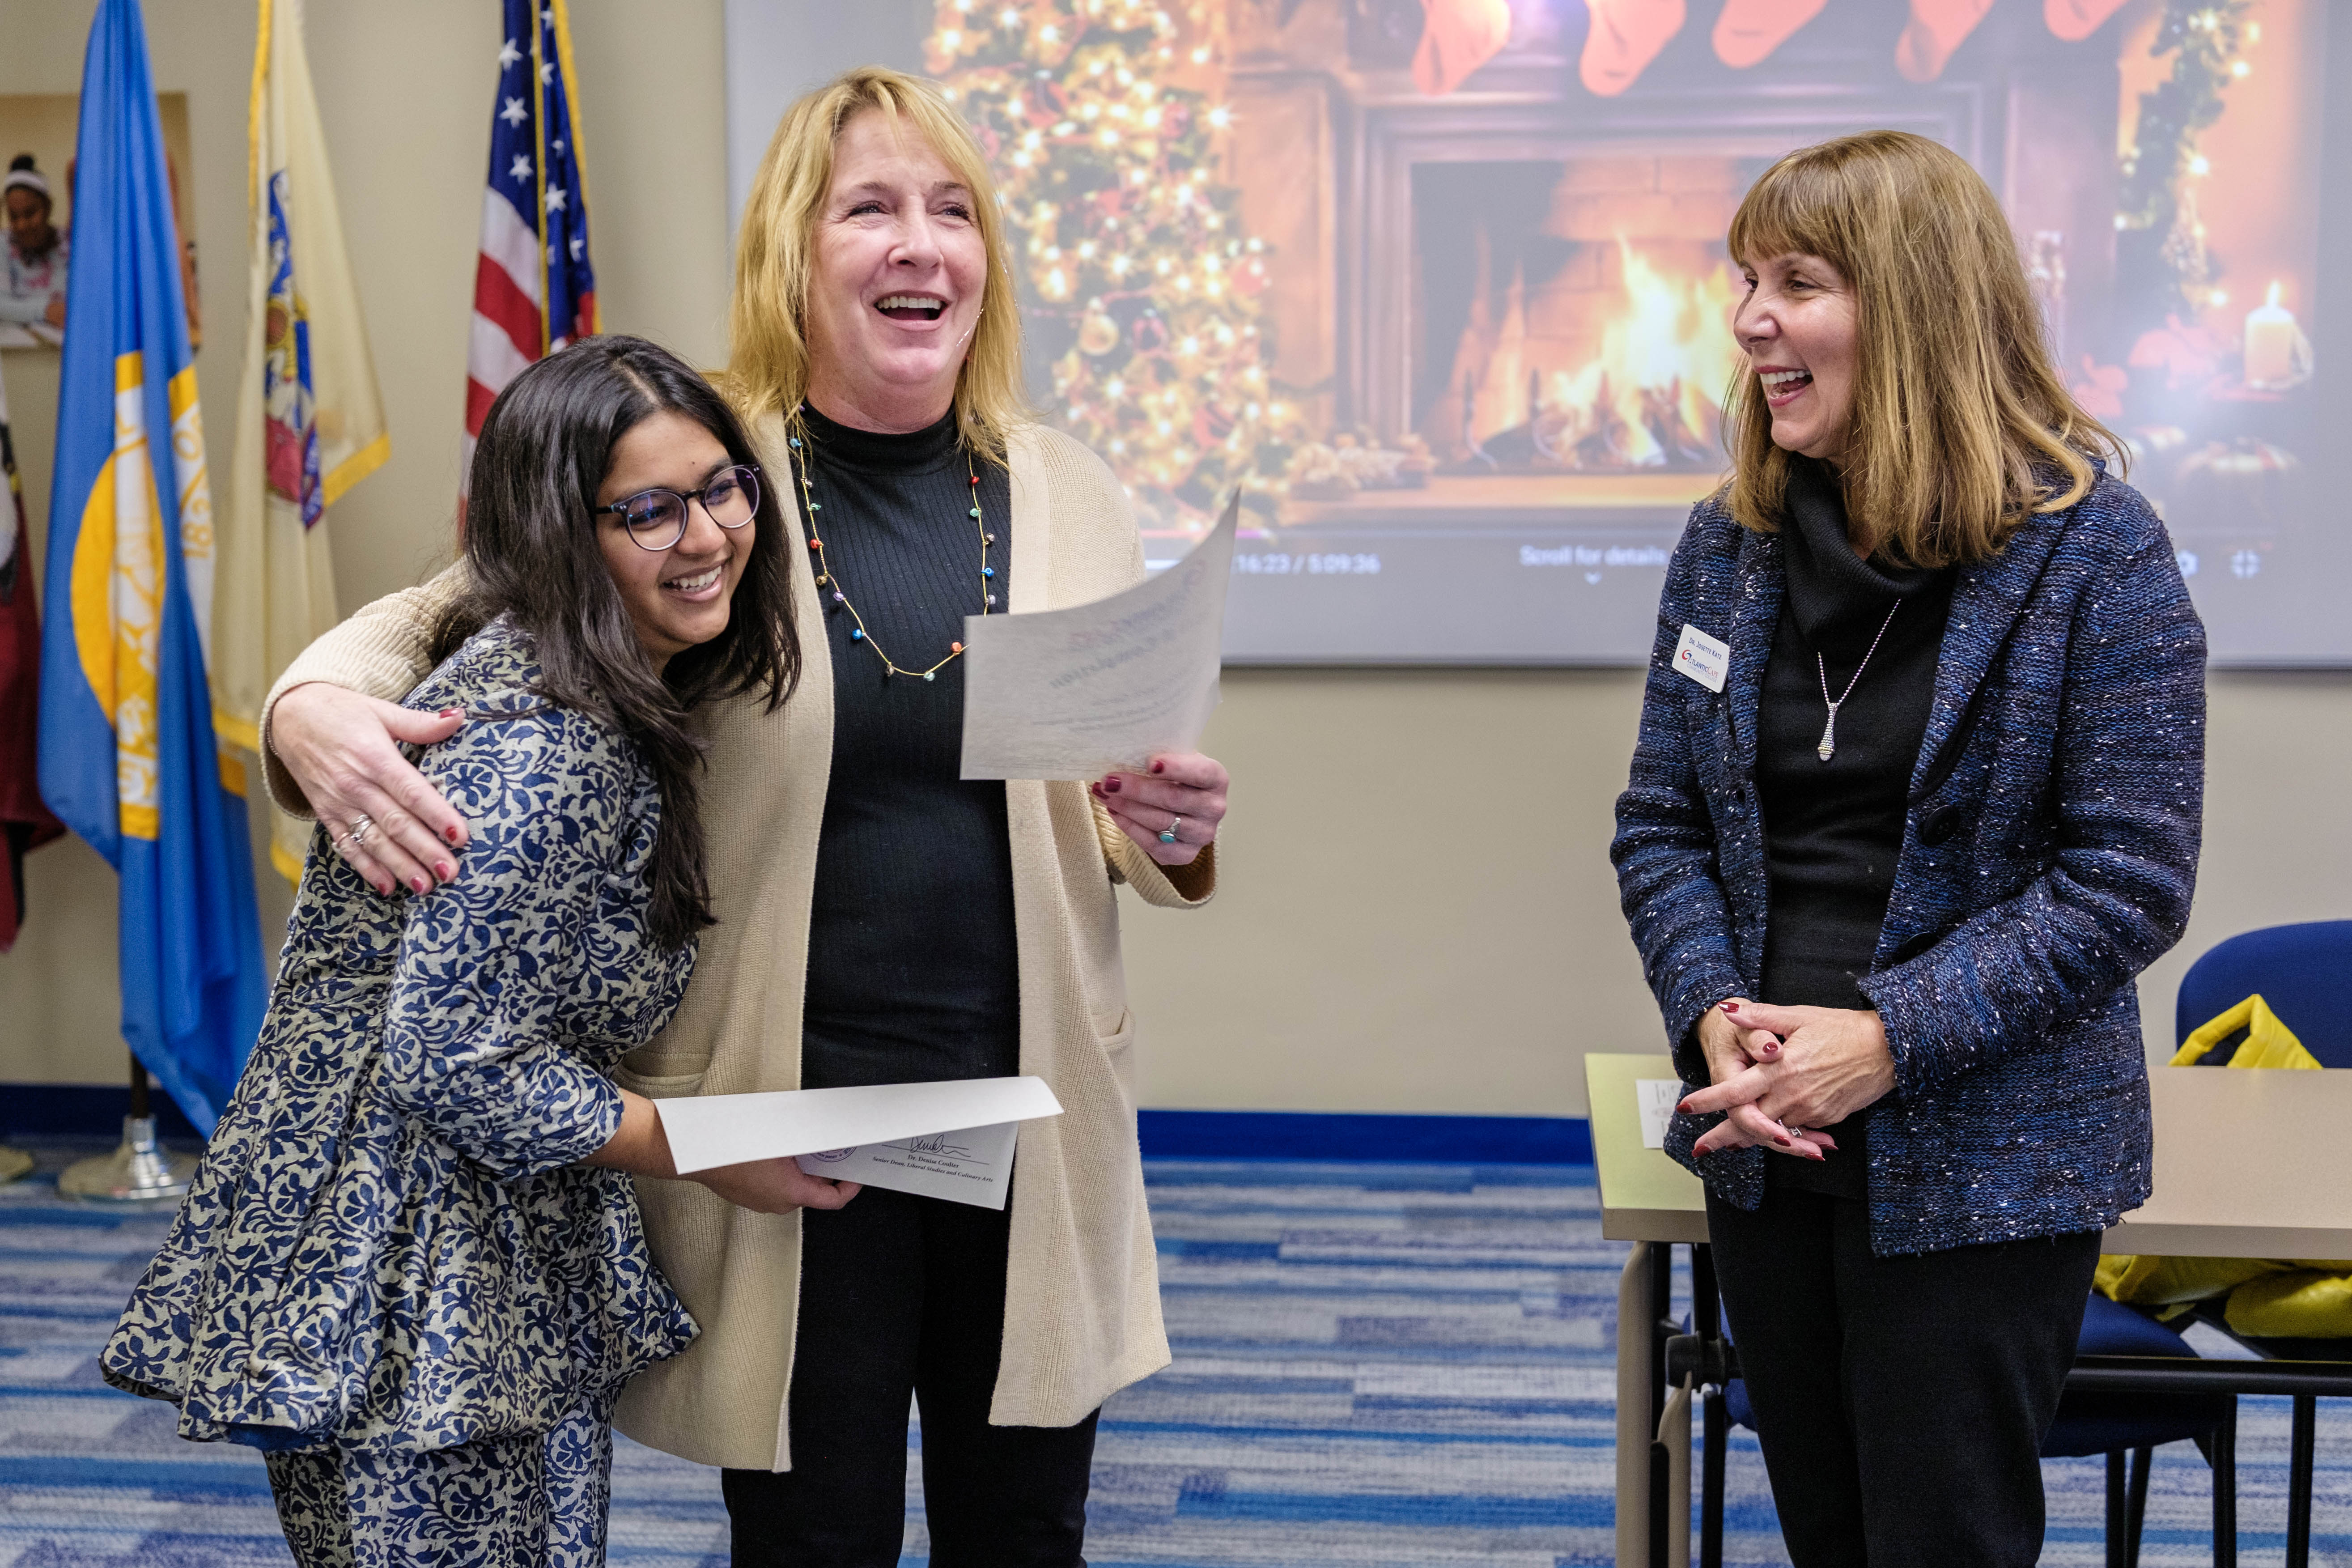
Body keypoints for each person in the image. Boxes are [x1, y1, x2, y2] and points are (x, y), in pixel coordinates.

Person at [255, 67, 1230, 1565]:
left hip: (1028, 1110)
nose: (923, 245)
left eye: (951, 209)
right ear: (793, 250)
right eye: (871, 209)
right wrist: (308, 709)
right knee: (809, 1529)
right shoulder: (704, 474)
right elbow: (432, 613)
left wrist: (1162, 828)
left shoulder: (1068, 486)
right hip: (791, 1123)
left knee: (1026, 1525)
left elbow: (1096, 804)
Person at [102, 335, 812, 1564]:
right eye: (645, 511)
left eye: (720, 487)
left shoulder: (567, 682)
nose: (704, 535)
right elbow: (457, 1060)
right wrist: (701, 1150)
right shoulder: (551, 745)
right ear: (557, 532)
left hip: (442, 1270)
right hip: (425, 1295)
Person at [1611, 129, 2205, 1567]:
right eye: (1744, 279)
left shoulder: (2093, 555)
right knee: (1826, 1529)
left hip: (1986, 1151)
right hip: (1764, 1133)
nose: (1749, 320)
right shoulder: (1727, 546)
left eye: (1797, 282)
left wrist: (1883, 1039)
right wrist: (1715, 1028)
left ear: (1918, 304)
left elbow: (2126, 876)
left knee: (1942, 1539)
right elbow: (1661, 822)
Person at [3, 155, 68, 331]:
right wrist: (45, 309)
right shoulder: (4, 246)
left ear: (48, 207)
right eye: (14, 217)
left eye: (30, 213)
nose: (22, 225)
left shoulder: (68, 244)